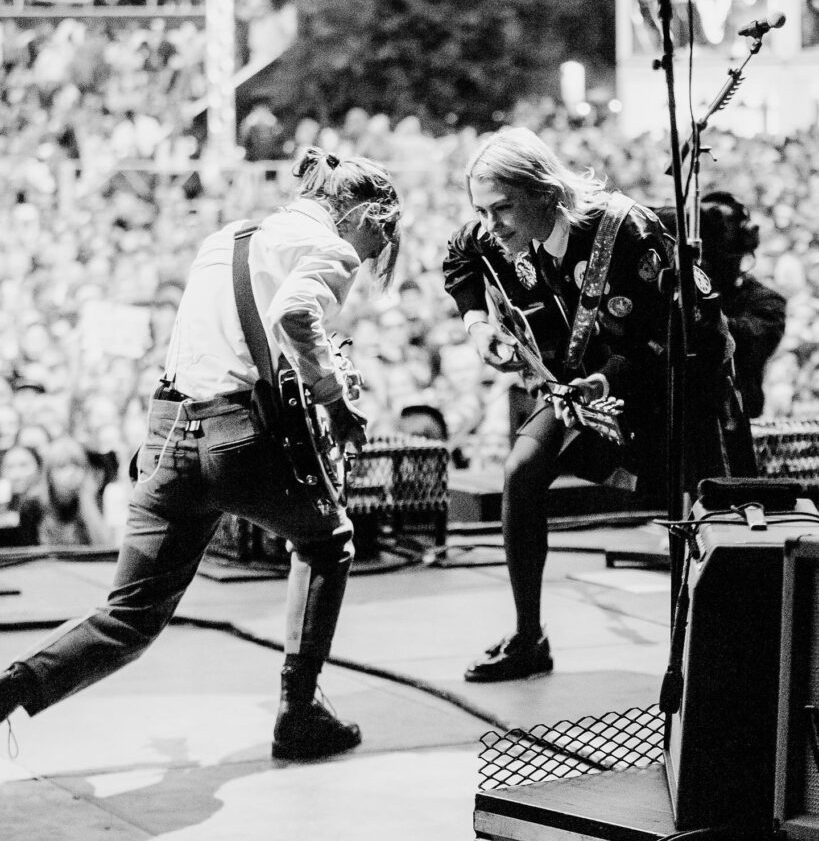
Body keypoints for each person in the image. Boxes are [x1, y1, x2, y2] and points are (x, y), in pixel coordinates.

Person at [0, 146, 402, 760]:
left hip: (167, 436)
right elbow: (294, 313)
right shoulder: (332, 247)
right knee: (327, 543)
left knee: (127, 618)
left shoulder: (227, 238)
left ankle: (9, 691)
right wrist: (336, 398)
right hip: (236, 439)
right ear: (369, 216)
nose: (371, 257)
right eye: (380, 243)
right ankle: (299, 714)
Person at [443, 126, 748, 683]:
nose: (491, 225)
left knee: (696, 514)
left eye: (502, 209)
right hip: (584, 387)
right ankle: (528, 637)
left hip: (673, 389)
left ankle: (708, 654)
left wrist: (603, 383)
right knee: (522, 468)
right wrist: (477, 323)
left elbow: (681, 340)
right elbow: (460, 255)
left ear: (545, 191)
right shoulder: (499, 232)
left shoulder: (628, 233)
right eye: (483, 211)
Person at [699, 191, 786, 419]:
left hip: (733, 425)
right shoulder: (673, 292)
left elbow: (744, 345)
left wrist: (700, 310)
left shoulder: (767, 303)